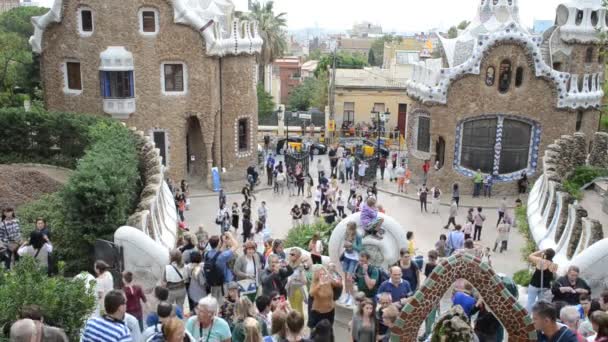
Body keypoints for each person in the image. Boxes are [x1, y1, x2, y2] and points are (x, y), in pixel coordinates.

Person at [527, 249, 558, 313]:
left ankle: (528, 318)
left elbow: (530, 256)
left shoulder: (539, 261)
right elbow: (553, 277)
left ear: (545, 254)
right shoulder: (554, 265)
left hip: (534, 285)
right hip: (545, 287)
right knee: (541, 305)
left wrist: (541, 251)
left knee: (530, 302)